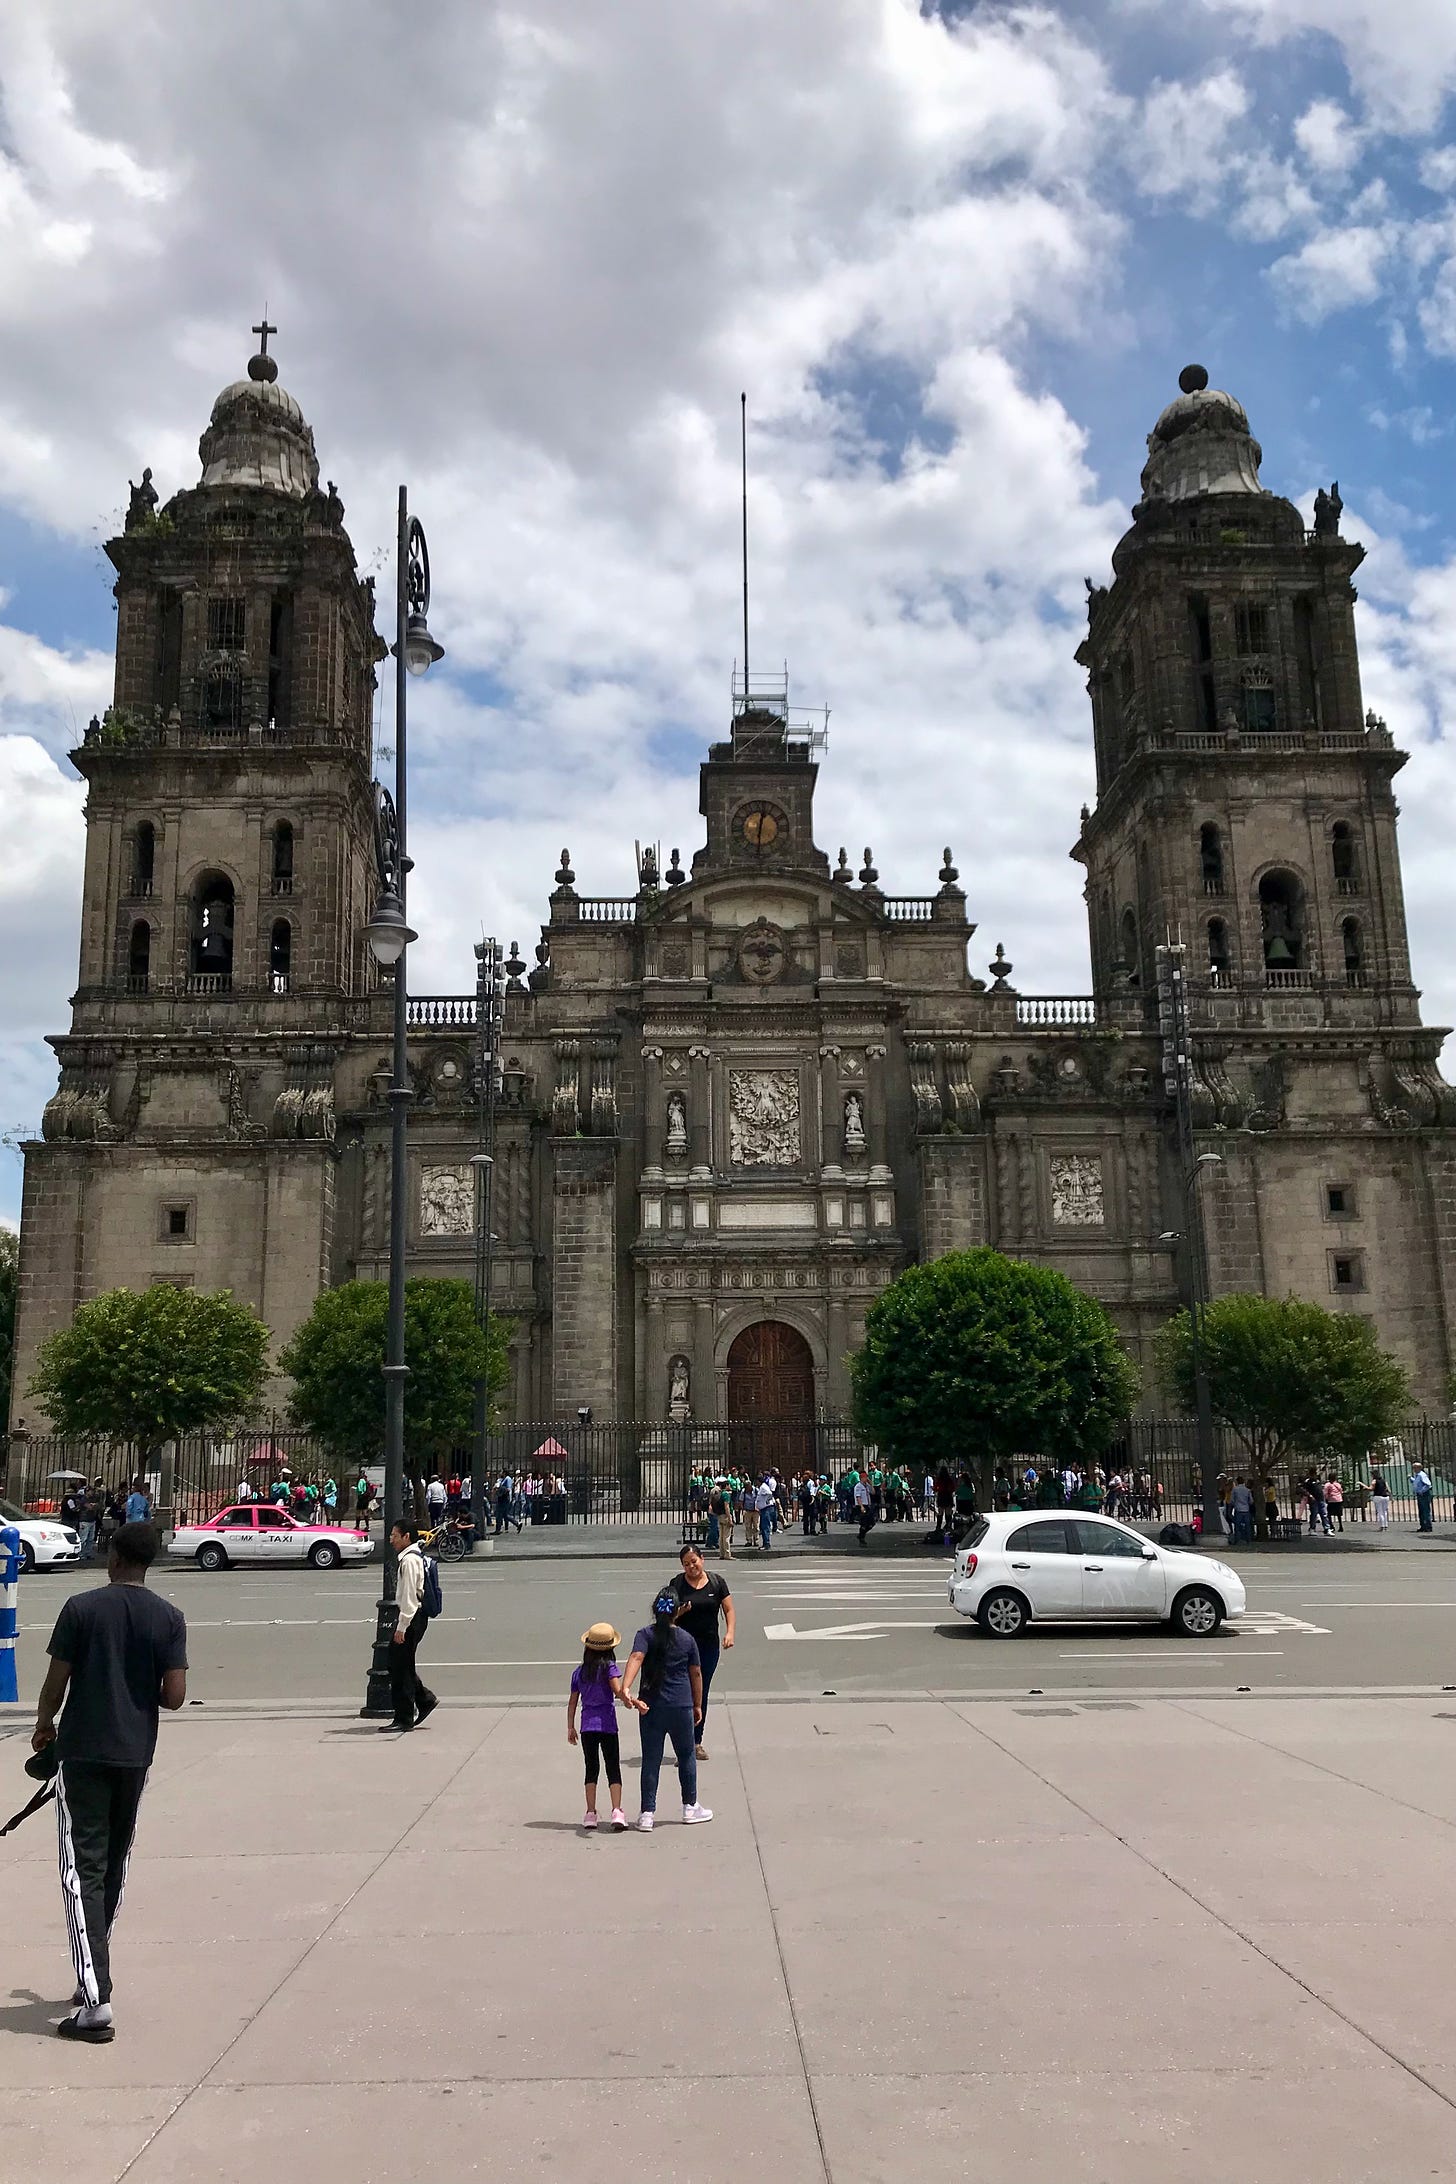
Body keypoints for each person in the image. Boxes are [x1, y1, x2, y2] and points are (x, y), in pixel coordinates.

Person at [32, 1521, 187, 2042]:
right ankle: (93, 1969)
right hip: (133, 1754)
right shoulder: (169, 1616)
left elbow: (57, 1680)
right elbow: (174, 1696)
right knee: (112, 1862)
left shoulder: (81, 1609)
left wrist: (43, 1724)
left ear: (116, 1555)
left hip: (83, 1754)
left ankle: (95, 2004)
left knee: (82, 1870)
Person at [620, 1589, 710, 1830]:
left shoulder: (645, 1635)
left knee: (651, 1759)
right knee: (686, 1755)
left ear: (654, 1610)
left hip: (650, 1706)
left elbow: (636, 1658)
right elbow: (696, 1673)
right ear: (678, 1610)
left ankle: (647, 1813)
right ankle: (689, 1806)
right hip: (680, 1705)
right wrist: (698, 1704)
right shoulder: (686, 1639)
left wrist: (625, 1688)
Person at [669, 1543, 735, 1760]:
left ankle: (696, 1742)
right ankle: (684, 1745)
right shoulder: (677, 1584)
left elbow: (728, 1609)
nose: (691, 1567)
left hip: (707, 1647)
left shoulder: (716, 1582)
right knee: (684, 1694)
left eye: (694, 1562)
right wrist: (680, 1611)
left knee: (701, 1693)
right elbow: (666, 1616)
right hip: (682, 1647)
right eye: (686, 1564)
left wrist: (730, 1632)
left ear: (702, 1559)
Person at [567, 1622, 628, 1831]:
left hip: (587, 1726)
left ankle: (590, 1813)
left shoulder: (579, 1672)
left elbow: (573, 1701)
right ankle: (617, 1810)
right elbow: (617, 1690)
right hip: (608, 1724)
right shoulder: (610, 1668)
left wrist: (570, 1726)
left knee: (591, 1768)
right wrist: (630, 1700)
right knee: (613, 1767)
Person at [383, 1520, 437, 1732]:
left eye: (395, 1535)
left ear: (407, 1537)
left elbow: (408, 1598)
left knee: (400, 1667)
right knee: (400, 1663)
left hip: (412, 1617)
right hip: (416, 1617)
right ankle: (424, 1700)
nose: (391, 1539)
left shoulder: (408, 1561)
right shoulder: (415, 1558)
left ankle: (404, 1717)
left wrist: (401, 1627)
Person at [1229, 1477, 1255, 1545]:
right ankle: (1248, 1540)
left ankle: (1237, 1540)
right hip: (1246, 1509)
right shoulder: (1247, 1490)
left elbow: (1231, 1500)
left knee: (1237, 1526)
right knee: (1247, 1526)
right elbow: (1251, 1501)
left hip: (1238, 1509)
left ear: (1237, 1482)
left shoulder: (1235, 1489)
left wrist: (1235, 1504)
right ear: (1243, 1481)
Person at [854, 1472, 875, 1548]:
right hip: (862, 1506)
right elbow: (858, 1497)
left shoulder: (867, 1486)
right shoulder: (858, 1486)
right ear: (862, 1478)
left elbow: (873, 1492)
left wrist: (871, 1484)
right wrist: (861, 1506)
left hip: (868, 1505)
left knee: (872, 1522)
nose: (867, 1479)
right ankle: (862, 1538)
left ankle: (861, 1535)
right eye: (865, 1477)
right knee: (864, 1523)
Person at [755, 1476, 776, 1553]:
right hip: (763, 1509)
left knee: (765, 1526)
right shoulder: (761, 1487)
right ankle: (765, 1543)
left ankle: (766, 1544)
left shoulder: (764, 1487)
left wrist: (767, 1501)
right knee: (763, 1526)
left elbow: (770, 1494)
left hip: (766, 1508)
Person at [1412, 1464, 1435, 1533]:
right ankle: (1423, 1526)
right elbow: (1417, 1483)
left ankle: (1428, 1526)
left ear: (1419, 1468)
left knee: (1425, 1511)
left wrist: (1422, 1491)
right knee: (1421, 1511)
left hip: (1424, 1495)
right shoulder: (1417, 1475)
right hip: (1419, 1494)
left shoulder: (1422, 1475)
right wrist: (1411, 1479)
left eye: (1415, 1468)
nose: (1414, 1469)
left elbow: (1428, 1484)